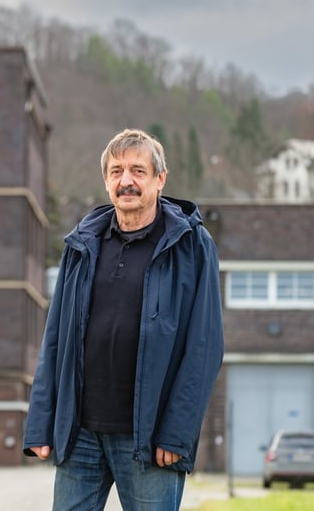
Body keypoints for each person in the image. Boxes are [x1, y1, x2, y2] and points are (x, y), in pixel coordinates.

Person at [23, 128, 224, 510]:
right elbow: (55, 340)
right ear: (106, 181)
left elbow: (205, 346)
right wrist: (40, 423)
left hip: (149, 439)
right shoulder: (81, 243)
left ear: (160, 179)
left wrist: (176, 434)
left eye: (137, 171)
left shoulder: (193, 245)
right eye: (116, 172)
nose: (126, 181)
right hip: (79, 433)